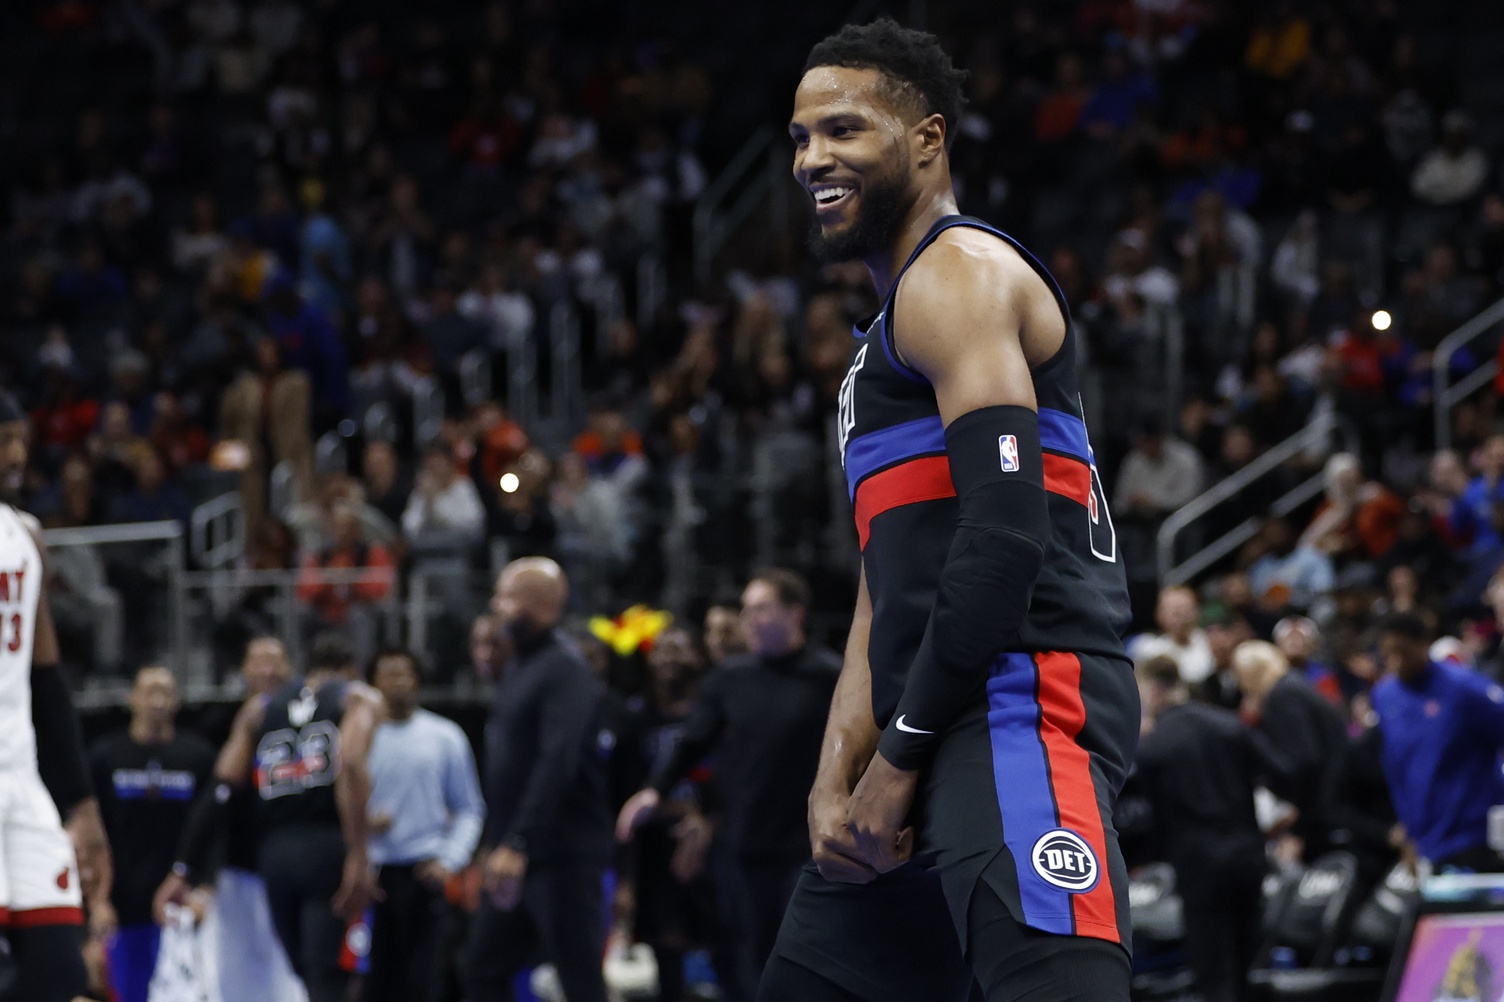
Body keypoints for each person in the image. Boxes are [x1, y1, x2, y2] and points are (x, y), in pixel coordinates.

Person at [757, 21, 1138, 1002]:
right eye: (800, 138)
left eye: (843, 130)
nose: (812, 159)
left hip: (1016, 702)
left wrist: (896, 762)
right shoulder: (880, 340)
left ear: (927, 138)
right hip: (922, 726)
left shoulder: (957, 275)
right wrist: (836, 773)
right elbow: (883, 593)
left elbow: (1007, 537)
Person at [617, 570, 841, 999]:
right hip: (744, 845)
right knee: (749, 959)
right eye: (745, 610)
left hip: (807, 847)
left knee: (807, 956)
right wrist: (653, 791)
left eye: (760, 608)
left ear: (795, 613)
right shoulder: (729, 679)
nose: (748, 619)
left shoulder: (829, 677)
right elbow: (693, 745)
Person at [157, 633, 382, 1002]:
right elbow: (352, 763)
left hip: (275, 855)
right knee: (329, 973)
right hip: (327, 847)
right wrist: (359, 851)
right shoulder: (356, 697)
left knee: (300, 970)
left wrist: (184, 865)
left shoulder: (260, 709)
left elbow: (220, 790)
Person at [0, 391, 114, 1002]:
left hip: (21, 782)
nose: (16, 454)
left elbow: (46, 680)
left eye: (20, 439)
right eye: (4, 440)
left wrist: (82, 803)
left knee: (60, 975)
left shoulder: (25, 536)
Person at [465, 557, 611, 1002]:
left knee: (579, 978)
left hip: (562, 855)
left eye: (508, 597)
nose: (497, 605)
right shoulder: (519, 668)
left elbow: (557, 761)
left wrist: (519, 841)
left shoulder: (565, 669)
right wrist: (499, 841)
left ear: (544, 606)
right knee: (481, 968)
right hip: (519, 854)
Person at [1135, 656, 1285, 1002]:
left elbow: (1152, 821)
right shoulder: (1229, 725)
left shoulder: (1154, 747)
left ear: (1154, 688)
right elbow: (1281, 772)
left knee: (1214, 977)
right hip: (1247, 858)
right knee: (1246, 969)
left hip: (1198, 866)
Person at [364, 647, 485, 1002]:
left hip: (424, 873)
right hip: (372, 877)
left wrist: (449, 860)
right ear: (373, 683)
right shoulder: (357, 739)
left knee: (426, 983)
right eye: (389, 674)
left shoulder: (444, 736)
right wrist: (363, 830)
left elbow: (469, 808)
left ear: (417, 681)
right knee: (373, 984)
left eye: (406, 674)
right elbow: (335, 807)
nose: (399, 682)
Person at [90, 666, 215, 1002]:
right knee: (130, 992)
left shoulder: (198, 757)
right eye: (150, 691)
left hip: (178, 901)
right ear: (133, 699)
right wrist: (97, 899)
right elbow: (92, 831)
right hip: (124, 901)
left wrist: (204, 888)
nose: (157, 700)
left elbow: (212, 828)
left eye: (165, 692)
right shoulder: (106, 756)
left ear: (176, 702)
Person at [1372, 612, 1504, 872]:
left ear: (1422, 644)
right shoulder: (1384, 696)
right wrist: (1408, 833)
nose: (1395, 662)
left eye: (1402, 651)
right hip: (1424, 842)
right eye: (1388, 654)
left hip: (1473, 838)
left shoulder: (1464, 689)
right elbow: (1395, 766)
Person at [1230, 641, 1346, 860]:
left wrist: (1298, 828)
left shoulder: (1281, 696)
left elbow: (1304, 762)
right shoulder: (1293, 684)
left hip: (1327, 808)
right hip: (1334, 796)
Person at [1127, 585, 1215, 683]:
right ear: (1159, 614)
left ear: (1197, 612)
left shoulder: (1212, 643)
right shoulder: (1146, 648)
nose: (1182, 618)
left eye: (1187, 611)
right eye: (1176, 613)